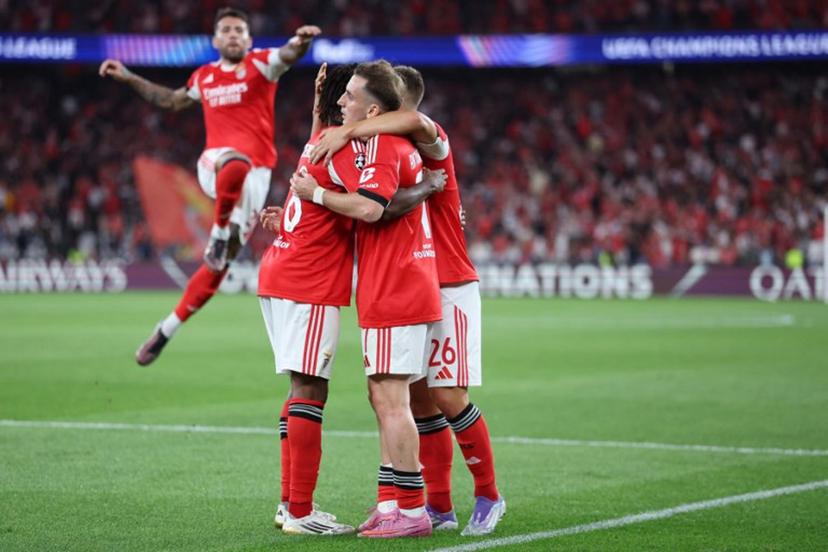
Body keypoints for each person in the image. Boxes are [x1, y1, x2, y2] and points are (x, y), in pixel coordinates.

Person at [308, 65, 506, 536]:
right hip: (412, 281)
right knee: (417, 400)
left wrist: (348, 130)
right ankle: (438, 505)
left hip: (449, 282)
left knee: (447, 394)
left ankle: (488, 494)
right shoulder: (389, 153)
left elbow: (413, 125)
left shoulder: (432, 146)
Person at [98, 7, 320, 366]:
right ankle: (218, 230)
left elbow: (289, 53)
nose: (233, 35)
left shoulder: (262, 64)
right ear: (216, 40)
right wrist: (128, 77)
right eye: (227, 30)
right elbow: (170, 100)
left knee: (219, 267)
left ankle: (166, 329)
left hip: (256, 181)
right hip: (214, 165)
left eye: (239, 30)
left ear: (248, 39)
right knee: (233, 160)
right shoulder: (204, 77)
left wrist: (300, 41)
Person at [290, 60, 440, 538]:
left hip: (396, 284)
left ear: (373, 108)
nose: (341, 102)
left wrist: (315, 195)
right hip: (394, 281)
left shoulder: (380, 144)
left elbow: (371, 209)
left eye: (349, 96)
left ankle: (413, 511)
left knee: (393, 401)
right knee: (382, 397)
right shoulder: (388, 142)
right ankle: (391, 500)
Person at [255, 62, 360, 536]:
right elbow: (367, 209)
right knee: (310, 389)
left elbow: (321, 118)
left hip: (281, 268)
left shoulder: (317, 140)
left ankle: (288, 504)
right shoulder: (344, 150)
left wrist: (320, 95)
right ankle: (300, 511)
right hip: (308, 278)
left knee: (300, 387)